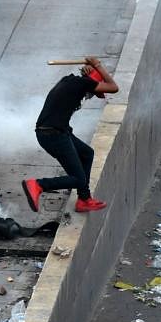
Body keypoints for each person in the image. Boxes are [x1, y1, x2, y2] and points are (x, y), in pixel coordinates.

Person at [22, 56, 118, 214]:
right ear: (91, 83)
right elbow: (113, 87)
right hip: (53, 135)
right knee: (78, 179)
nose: (92, 96)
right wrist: (98, 65)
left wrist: (90, 68)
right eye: (94, 93)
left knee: (87, 153)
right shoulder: (82, 84)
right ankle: (38, 185)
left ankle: (84, 199)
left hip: (57, 131)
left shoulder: (70, 81)